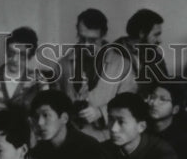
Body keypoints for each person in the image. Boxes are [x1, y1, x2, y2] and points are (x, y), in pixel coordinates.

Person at [55, 8, 134, 141]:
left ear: (103, 35)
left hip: (104, 141)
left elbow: (129, 104)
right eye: (82, 38)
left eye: (92, 40)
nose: (86, 45)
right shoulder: (63, 64)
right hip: (70, 139)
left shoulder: (123, 65)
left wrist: (101, 112)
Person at [0, 26, 51, 114]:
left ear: (30, 55)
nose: (14, 59)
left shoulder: (38, 80)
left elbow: (45, 113)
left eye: (22, 55)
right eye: (11, 52)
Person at [29, 89, 101, 159]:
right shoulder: (37, 151)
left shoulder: (89, 147)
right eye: (36, 117)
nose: (40, 122)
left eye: (46, 115)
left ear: (64, 118)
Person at [142, 81, 187, 159]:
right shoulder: (142, 131)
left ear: (175, 109)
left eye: (162, 99)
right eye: (153, 97)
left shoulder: (183, 142)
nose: (154, 103)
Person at [114, 8, 168, 84]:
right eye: (156, 35)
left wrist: (163, 88)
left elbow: (166, 83)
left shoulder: (155, 56)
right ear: (142, 33)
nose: (160, 40)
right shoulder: (112, 54)